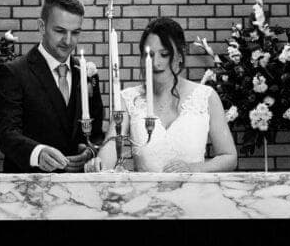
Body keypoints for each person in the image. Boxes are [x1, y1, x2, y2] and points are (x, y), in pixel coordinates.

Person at [95, 16, 237, 172]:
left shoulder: (206, 97)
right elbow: (111, 145)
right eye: (149, 55)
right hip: (144, 195)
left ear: (180, 57)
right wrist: (100, 164)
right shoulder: (127, 99)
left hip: (195, 194)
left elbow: (229, 157)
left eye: (164, 54)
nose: (155, 63)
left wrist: (192, 168)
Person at [0, 0, 106, 172]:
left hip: (79, 190)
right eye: (60, 31)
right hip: (27, 189)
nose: (68, 41)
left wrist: (91, 152)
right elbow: (5, 133)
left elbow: (96, 134)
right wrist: (38, 153)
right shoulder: (14, 72)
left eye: (75, 32)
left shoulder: (87, 73)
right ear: (41, 26)